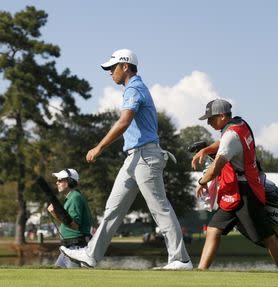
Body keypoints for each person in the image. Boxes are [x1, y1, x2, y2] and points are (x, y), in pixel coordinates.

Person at [60, 49, 192, 269]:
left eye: (113, 68)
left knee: (159, 208)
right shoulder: (131, 89)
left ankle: (180, 258)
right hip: (133, 158)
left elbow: (124, 122)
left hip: (146, 157)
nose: (110, 72)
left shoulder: (135, 88)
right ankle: (92, 254)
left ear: (125, 66)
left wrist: (99, 147)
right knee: (113, 209)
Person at [192, 99, 278, 270]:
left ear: (222, 116)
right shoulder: (240, 124)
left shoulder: (230, 135)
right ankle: (201, 272)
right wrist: (207, 149)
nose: (208, 122)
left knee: (267, 238)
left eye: (211, 118)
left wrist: (201, 182)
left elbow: (216, 167)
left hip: (246, 194)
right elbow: (224, 144)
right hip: (235, 191)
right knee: (214, 229)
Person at [48, 168, 92, 268]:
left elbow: (74, 225)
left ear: (69, 181)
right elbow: (67, 222)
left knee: (75, 281)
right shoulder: (70, 198)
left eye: (60, 180)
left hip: (76, 248)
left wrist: (54, 213)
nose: (57, 182)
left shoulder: (75, 197)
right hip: (68, 248)